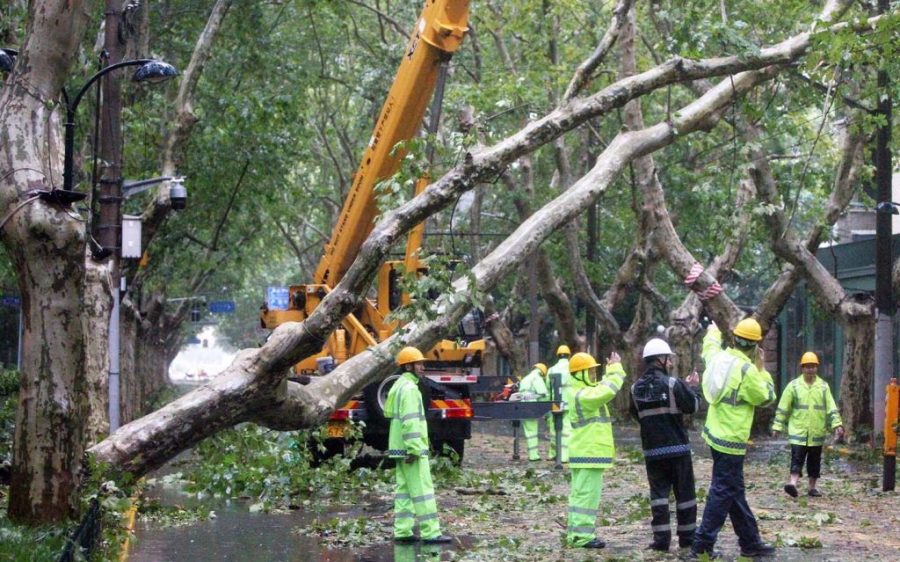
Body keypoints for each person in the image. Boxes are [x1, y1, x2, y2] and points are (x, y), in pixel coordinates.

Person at [691, 319, 777, 559]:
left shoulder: (718, 358)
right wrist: (761, 368)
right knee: (722, 491)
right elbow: (767, 396)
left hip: (715, 434)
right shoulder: (747, 370)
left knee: (733, 490)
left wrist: (713, 330)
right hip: (732, 440)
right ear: (755, 346)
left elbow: (709, 346)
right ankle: (701, 547)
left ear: (734, 338)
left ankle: (750, 542)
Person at [630, 338, 701, 552]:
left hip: (652, 452)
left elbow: (637, 415)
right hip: (678, 450)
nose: (670, 362)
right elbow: (693, 406)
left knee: (659, 497)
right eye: (668, 358)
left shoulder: (634, 389)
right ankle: (687, 538)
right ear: (661, 359)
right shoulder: (672, 384)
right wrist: (693, 388)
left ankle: (661, 540)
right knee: (685, 495)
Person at [385, 346, 452, 544]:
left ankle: (403, 531)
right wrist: (414, 449)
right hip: (411, 450)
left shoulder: (398, 386)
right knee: (423, 491)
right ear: (408, 366)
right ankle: (431, 533)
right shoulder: (410, 389)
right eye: (419, 363)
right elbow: (410, 421)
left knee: (404, 491)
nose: (422, 367)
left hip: (399, 448)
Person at [565, 351, 627, 549]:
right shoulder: (581, 394)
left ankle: (576, 534)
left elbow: (601, 388)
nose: (593, 374)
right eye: (590, 371)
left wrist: (609, 373)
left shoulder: (581, 391)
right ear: (579, 373)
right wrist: (616, 370)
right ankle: (582, 537)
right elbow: (607, 391)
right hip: (588, 453)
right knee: (587, 496)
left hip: (586, 453)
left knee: (580, 495)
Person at [771, 351, 844, 498]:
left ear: (817, 368)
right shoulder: (793, 386)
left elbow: (831, 406)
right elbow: (783, 407)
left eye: (813, 366)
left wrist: (837, 424)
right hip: (798, 431)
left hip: (817, 432)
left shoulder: (823, 387)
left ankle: (812, 487)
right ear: (802, 368)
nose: (810, 369)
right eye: (807, 367)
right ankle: (792, 483)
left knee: (814, 461)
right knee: (797, 457)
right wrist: (777, 426)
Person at [517, 362, 549, 461]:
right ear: (542, 373)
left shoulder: (526, 378)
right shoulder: (537, 378)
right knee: (533, 431)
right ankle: (534, 456)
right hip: (531, 406)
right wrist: (546, 410)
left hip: (522, 405)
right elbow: (544, 394)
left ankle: (532, 454)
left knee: (528, 431)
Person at [547, 345, 573, 463]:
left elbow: (548, 388)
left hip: (555, 402)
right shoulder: (572, 368)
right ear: (569, 355)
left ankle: (553, 454)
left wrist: (548, 403)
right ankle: (564, 456)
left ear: (557, 355)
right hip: (569, 402)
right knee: (567, 429)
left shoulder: (551, 369)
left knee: (554, 428)